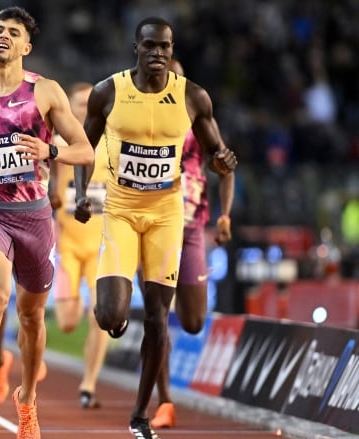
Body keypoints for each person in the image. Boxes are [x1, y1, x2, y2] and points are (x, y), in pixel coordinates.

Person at [74, 17, 237, 439]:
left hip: (167, 214)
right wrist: (79, 194)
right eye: (149, 46)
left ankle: (141, 415)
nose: (157, 53)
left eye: (164, 46)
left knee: (158, 319)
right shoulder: (108, 92)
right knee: (110, 314)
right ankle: (116, 320)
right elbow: (83, 148)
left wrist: (223, 163)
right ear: (136, 48)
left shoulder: (194, 98)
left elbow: (217, 154)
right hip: (122, 211)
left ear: (172, 48)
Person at [0, 7, 94, 439]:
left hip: (34, 219)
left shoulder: (45, 92)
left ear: (27, 46)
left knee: (31, 318)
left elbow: (84, 150)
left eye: (14, 32)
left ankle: (26, 400)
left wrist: (49, 152)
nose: (4, 37)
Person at [147, 59, 235, 429]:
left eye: (177, 78)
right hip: (149, 227)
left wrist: (225, 214)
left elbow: (225, 164)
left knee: (194, 321)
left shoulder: (195, 117)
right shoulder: (139, 118)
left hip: (192, 227)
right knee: (157, 317)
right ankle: (164, 400)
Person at [48, 82, 109, 410]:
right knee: (69, 321)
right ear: (69, 108)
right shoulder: (60, 146)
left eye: (89, 103)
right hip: (68, 247)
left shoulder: (111, 145)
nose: (84, 109)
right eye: (78, 104)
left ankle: (88, 384)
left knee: (101, 315)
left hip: (99, 248)